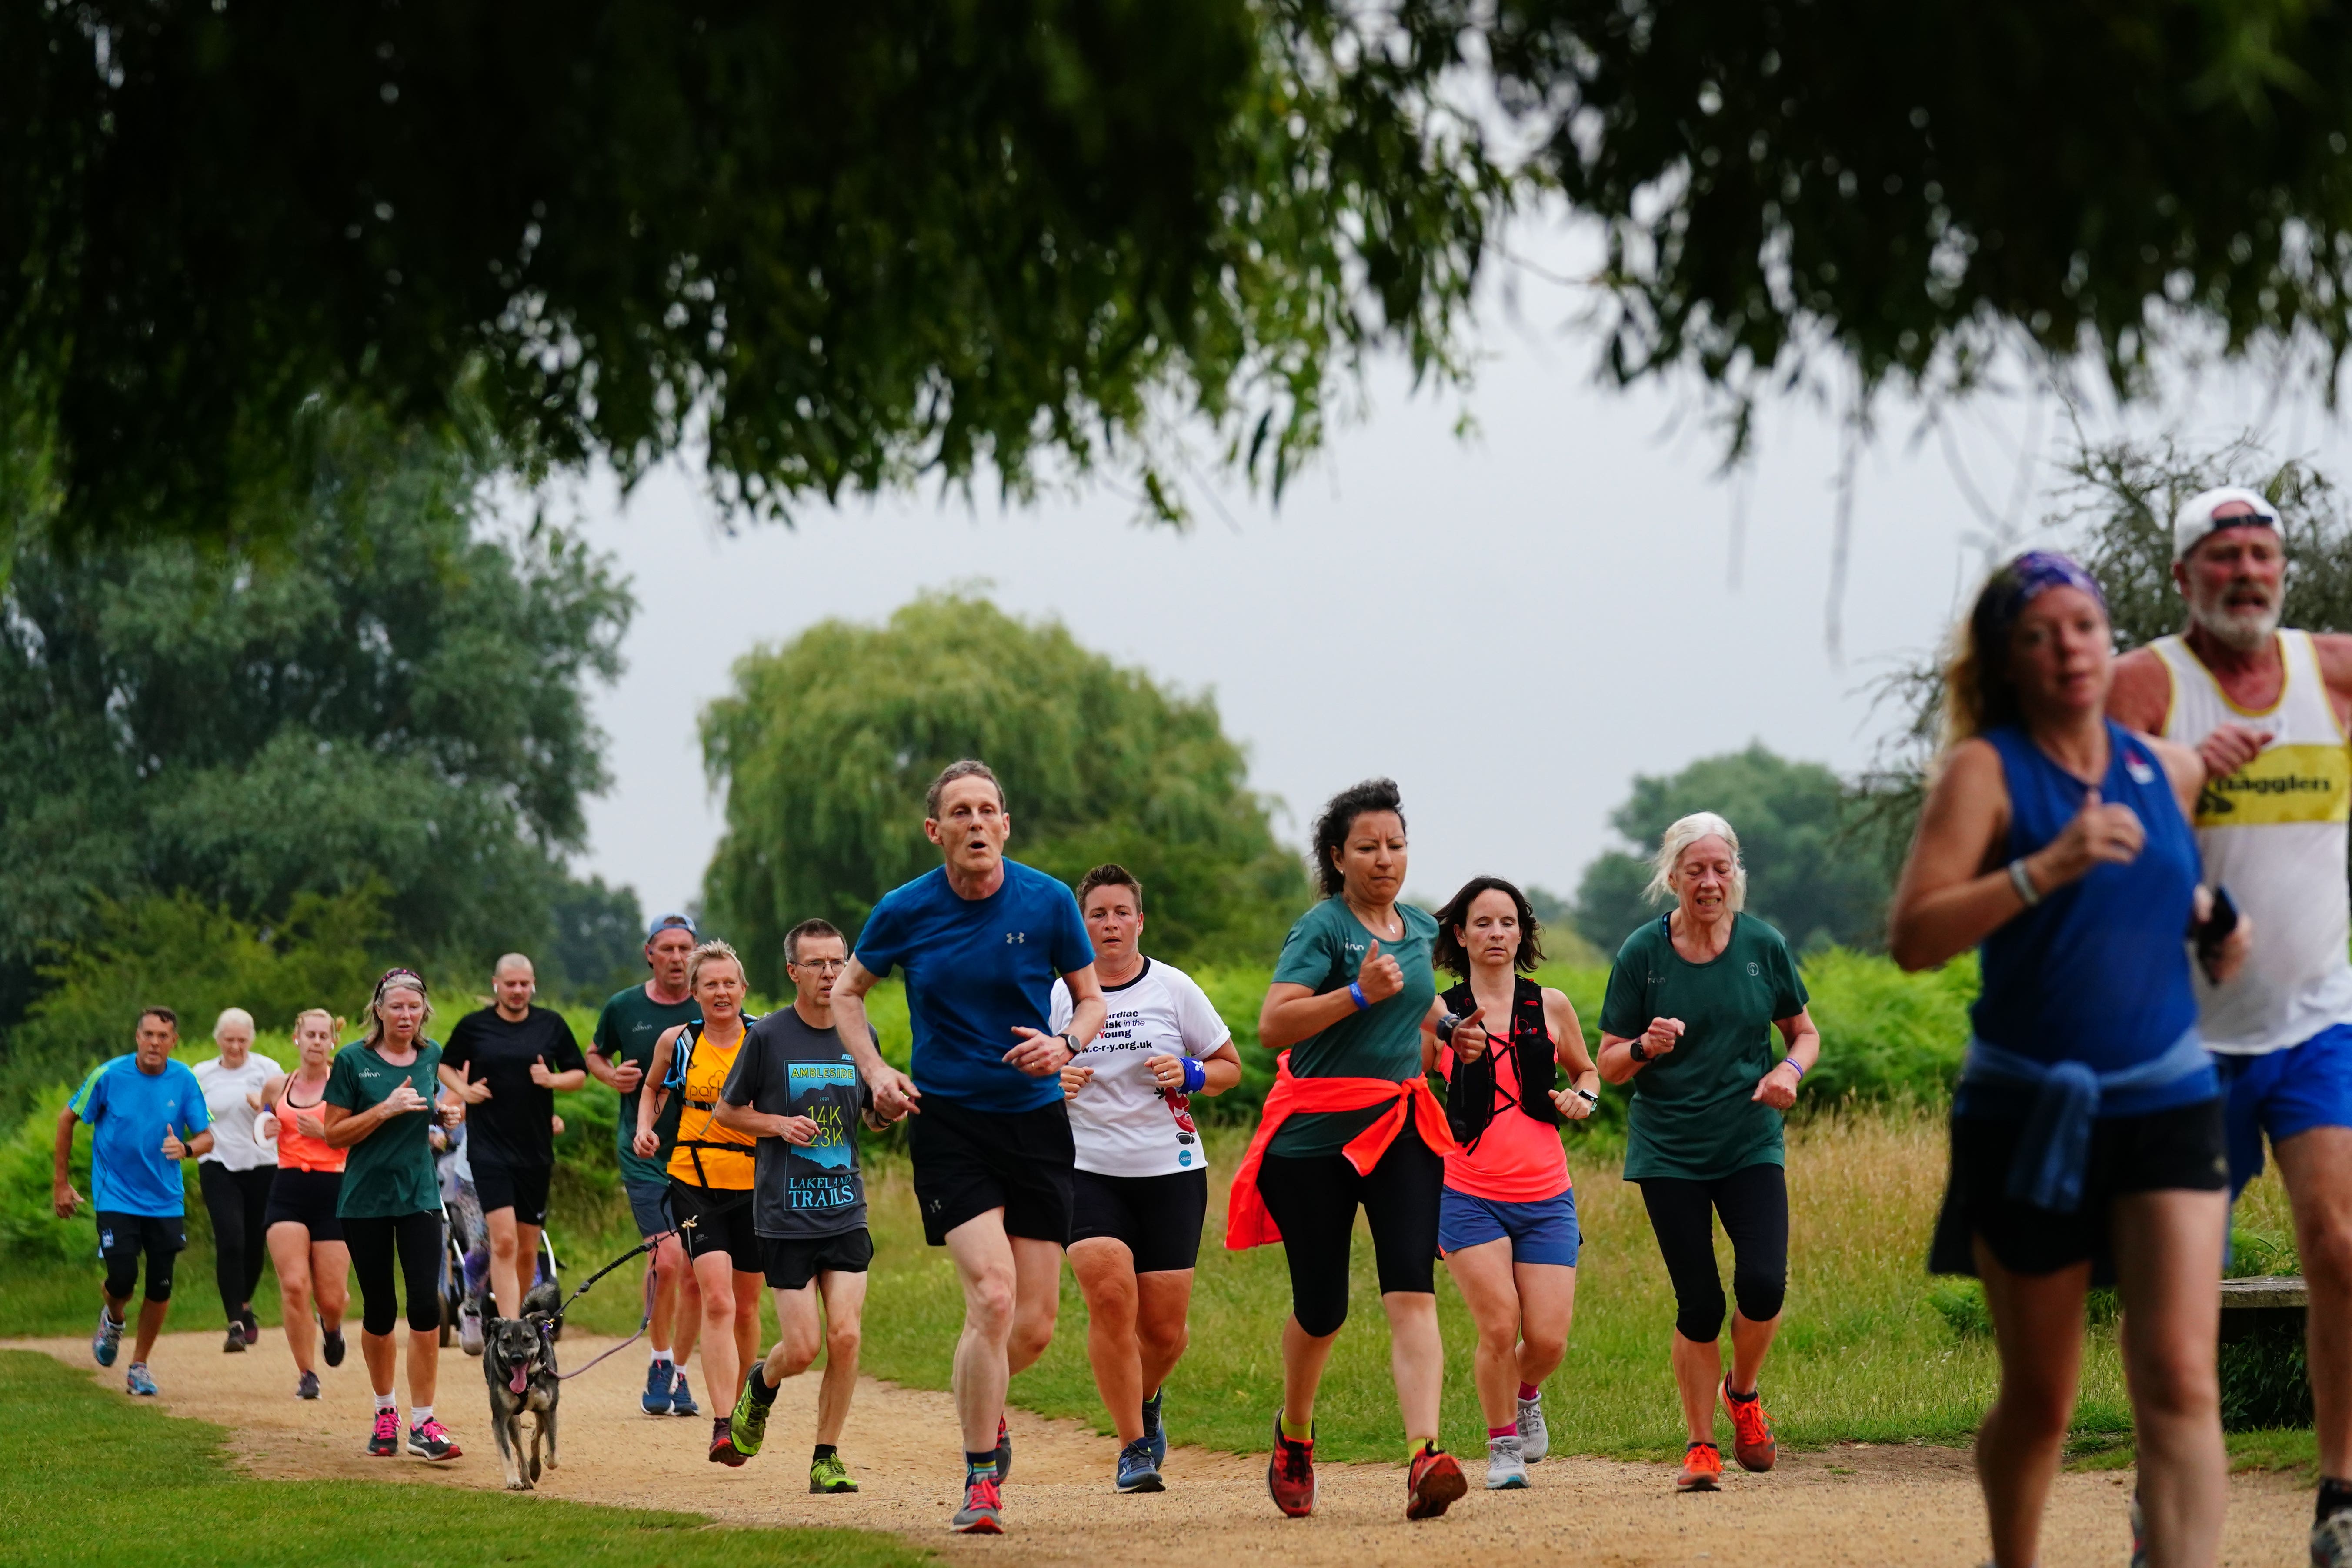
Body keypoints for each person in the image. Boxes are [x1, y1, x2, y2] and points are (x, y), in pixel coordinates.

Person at [1890, 550, 2248, 1568]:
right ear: (2007, 660)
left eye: (2081, 627)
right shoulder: (1984, 771)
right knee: (2041, 1400)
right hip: (2028, 1111)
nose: (2066, 649)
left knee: (2179, 1378)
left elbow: (2162, 890)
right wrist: (2043, 866)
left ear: (2106, 639)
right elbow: (1913, 936)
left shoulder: (2162, 765)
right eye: (2039, 635)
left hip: (2167, 1099)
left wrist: (2215, 925)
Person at [2107, 487, 2352, 1565]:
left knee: (2340, 1248)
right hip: (2180, 1034)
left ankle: (2339, 1495)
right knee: (2172, 1273)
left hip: (2315, 1021)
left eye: (2260, 552)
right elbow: (2092, 834)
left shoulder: (2331, 673)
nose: (2245, 571)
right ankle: (2163, 1474)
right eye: (2222, 555)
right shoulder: (2145, 685)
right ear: (2181, 578)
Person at [825, 759, 1105, 1536]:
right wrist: (875, 1069)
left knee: (1035, 1323)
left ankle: (989, 1406)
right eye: (960, 812)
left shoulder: (1047, 900)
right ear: (935, 829)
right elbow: (847, 991)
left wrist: (1063, 1046)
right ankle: (980, 1478)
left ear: (1005, 825)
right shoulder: (904, 909)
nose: (976, 823)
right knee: (991, 1294)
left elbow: (1089, 1000)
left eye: (988, 810)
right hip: (950, 1122)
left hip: (1036, 1117)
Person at [1228, 777, 1468, 1522]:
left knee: (1410, 1288)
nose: (1384, 858)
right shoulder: (1322, 930)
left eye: (1394, 845)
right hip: (1314, 1140)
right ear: (1337, 856)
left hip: (1400, 1128)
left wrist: (1450, 1026)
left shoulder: (1422, 926)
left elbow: (1414, 990)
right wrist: (1356, 995)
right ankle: (1294, 1434)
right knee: (1321, 1308)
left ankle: (1423, 1455)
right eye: (1367, 847)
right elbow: (1273, 1024)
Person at [1596, 813, 1820, 1494]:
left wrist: (1789, 1072)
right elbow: (1607, 1063)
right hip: (1669, 1150)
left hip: (1749, 1141)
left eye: (1721, 868)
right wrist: (1644, 1047)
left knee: (1762, 1285)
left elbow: (1803, 1033)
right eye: (1696, 869)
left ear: (1736, 876)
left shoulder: (1762, 945)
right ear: (1672, 877)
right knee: (1698, 1302)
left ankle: (1742, 1394)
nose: (1710, 881)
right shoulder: (1642, 953)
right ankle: (1699, 1445)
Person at [1051, 864, 1241, 1494]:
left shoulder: (1174, 988)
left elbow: (1229, 1067)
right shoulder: (1057, 995)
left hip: (1170, 1169)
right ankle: (1133, 1445)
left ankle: (1149, 1393)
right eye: (1097, 914)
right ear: (1081, 926)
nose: (1109, 924)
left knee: (1162, 1330)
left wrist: (1189, 1071)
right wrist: (1053, 1084)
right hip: (1084, 1168)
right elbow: (1016, 1074)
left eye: (1120, 912)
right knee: (1109, 1297)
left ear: (1139, 920)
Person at [1425, 875, 1601, 1491]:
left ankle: (1526, 1393)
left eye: (1507, 922)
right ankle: (1503, 1446)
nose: (1496, 933)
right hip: (1466, 1190)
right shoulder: (1440, 1011)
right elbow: (1407, 1082)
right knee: (1499, 1325)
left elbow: (1586, 1068)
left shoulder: (1548, 1004)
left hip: (1546, 1193)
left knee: (1547, 1339)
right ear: (1460, 934)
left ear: (1522, 931)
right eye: (1482, 922)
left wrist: (1585, 1097)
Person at [717, 918, 898, 1496]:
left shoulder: (859, 1030)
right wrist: (776, 1124)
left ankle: (827, 1456)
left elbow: (870, 1115)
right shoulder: (768, 1036)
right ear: (792, 970)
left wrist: (889, 1108)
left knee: (846, 1335)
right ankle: (760, 1384)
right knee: (802, 1348)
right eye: (816, 963)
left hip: (846, 1209)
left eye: (838, 962)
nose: (829, 973)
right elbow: (726, 1112)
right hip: (784, 1215)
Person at [323, 968, 465, 1463]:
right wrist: (384, 1109)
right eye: (397, 1007)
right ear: (378, 1010)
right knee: (381, 1310)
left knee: (426, 1306)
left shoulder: (432, 1054)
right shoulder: (351, 1061)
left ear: (424, 1011)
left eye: (414, 1007)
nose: (406, 1015)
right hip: (364, 1201)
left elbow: (430, 1110)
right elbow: (334, 1135)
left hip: (420, 1196)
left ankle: (424, 1423)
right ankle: (386, 1411)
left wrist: (442, 1118)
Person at [636, 939, 764, 1466]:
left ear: (743, 988)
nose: (721, 992)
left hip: (758, 1183)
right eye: (709, 984)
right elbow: (652, 1088)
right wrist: (646, 1127)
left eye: (729, 983)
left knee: (748, 1306)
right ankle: (720, 1425)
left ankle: (741, 1411)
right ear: (693, 991)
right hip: (694, 1179)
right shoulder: (678, 1040)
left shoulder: (766, 1037)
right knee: (717, 1300)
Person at [51, 1007, 214, 1397]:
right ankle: (114, 1317)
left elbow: (208, 1137)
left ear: (174, 1042)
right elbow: (66, 1118)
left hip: (165, 1201)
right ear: (137, 1037)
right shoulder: (109, 1075)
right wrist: (61, 1183)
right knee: (122, 1279)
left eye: (163, 1036)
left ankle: (139, 1366)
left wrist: (187, 1148)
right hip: (117, 1196)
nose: (155, 1042)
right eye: (148, 1034)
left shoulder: (184, 1080)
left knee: (160, 1286)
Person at [587, 911, 706, 1417]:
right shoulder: (624, 1007)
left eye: (686, 949)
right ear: (650, 954)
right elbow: (595, 1054)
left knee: (700, 1271)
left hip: (704, 1154)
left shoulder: (712, 1005)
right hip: (645, 1152)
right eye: (669, 949)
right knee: (667, 1257)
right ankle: (659, 1360)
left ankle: (680, 1372)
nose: (678, 958)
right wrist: (610, 1075)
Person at [439, 953, 588, 1318]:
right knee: (503, 1242)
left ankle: (524, 1322)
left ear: (533, 984)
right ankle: (508, 1328)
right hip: (488, 1149)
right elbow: (444, 1065)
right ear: (496, 985)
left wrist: (552, 1080)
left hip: (535, 1151)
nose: (518, 991)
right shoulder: (474, 1026)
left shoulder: (550, 1025)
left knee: (526, 1248)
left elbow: (579, 1073)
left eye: (524, 984)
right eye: (511, 984)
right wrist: (465, 1090)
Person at [256, 1008, 352, 1399]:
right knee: (294, 1285)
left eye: (323, 1035)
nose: (315, 1041)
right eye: (309, 1034)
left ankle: (331, 1327)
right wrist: (265, 1125)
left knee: (332, 1298)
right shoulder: (278, 1086)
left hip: (334, 1190)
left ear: (333, 1042)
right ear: (297, 1039)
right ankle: (306, 1374)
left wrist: (328, 1132)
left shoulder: (344, 1088)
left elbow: (360, 1137)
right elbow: (262, 1120)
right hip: (288, 1188)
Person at [194, 1006, 282, 1352]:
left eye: (242, 1041)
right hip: (218, 1163)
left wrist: (263, 1105)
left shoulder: (267, 1069)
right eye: (229, 1040)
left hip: (262, 1163)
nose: (235, 1047)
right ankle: (234, 1323)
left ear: (252, 1040)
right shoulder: (201, 1074)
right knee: (231, 1239)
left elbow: (284, 1111)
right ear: (218, 1040)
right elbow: (189, 1113)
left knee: (255, 1241)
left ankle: (245, 1304)